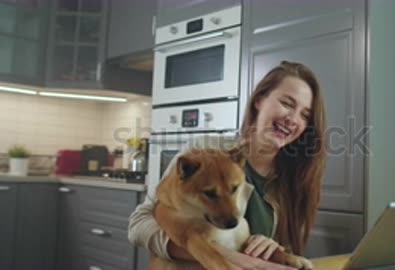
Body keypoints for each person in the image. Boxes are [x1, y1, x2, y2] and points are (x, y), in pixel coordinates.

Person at [128, 61, 327, 269]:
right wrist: (221, 256)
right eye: (287, 103)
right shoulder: (204, 152)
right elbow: (138, 225)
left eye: (305, 115)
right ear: (260, 100)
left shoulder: (293, 179)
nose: (293, 119)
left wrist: (272, 248)